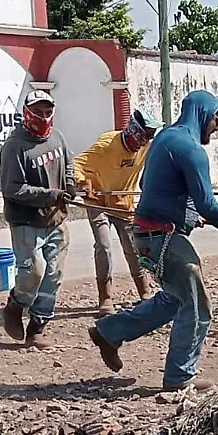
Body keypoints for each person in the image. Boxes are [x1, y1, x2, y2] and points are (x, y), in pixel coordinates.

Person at [88, 90, 218, 392]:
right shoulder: (191, 149)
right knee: (197, 304)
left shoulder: (165, 139)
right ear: (204, 113)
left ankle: (109, 331)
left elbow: (152, 185)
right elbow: (207, 203)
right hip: (163, 237)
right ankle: (180, 377)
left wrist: (188, 213)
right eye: (217, 118)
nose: (217, 126)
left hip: (146, 233)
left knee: (174, 299)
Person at [0, 90, 76, 350]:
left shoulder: (57, 137)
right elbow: (13, 188)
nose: (44, 117)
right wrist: (50, 194)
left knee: (54, 273)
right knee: (33, 272)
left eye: (47, 111)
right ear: (27, 113)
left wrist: (71, 185)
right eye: (38, 112)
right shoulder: (14, 146)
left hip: (56, 219)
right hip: (26, 222)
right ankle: (16, 305)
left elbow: (68, 164)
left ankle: (38, 325)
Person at [72, 109, 164, 317]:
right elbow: (76, 164)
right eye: (145, 134)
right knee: (104, 246)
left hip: (123, 202)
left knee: (133, 246)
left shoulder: (147, 147)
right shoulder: (106, 145)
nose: (146, 140)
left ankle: (145, 291)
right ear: (133, 130)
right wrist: (82, 181)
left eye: (150, 135)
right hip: (98, 200)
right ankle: (105, 298)